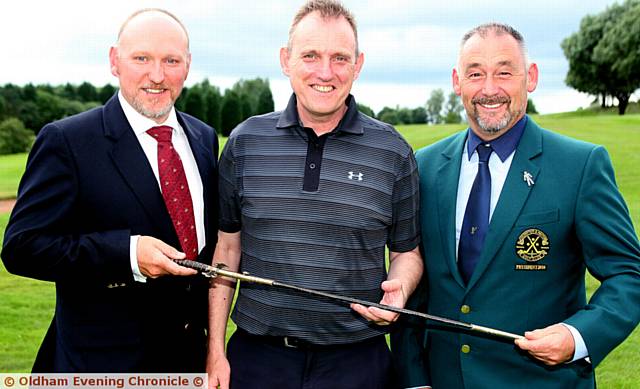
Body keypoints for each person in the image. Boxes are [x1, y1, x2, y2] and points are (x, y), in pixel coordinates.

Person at [391, 22, 640, 388]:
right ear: (457, 82)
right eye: (476, 74)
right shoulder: (423, 167)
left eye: (504, 73)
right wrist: (413, 378)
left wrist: (576, 337)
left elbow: (628, 274)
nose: (489, 89)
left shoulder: (580, 166)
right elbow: (413, 288)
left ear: (531, 77)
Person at [206, 1, 423, 388]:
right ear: (286, 60)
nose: (325, 72)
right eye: (310, 55)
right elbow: (226, 250)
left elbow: (407, 253)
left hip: (358, 364)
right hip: (258, 360)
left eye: (340, 58)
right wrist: (215, 351)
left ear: (357, 65)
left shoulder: (393, 151)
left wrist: (400, 289)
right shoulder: (244, 142)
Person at [1, 8, 218, 372]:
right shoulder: (68, 141)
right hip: (100, 367)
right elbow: (22, 248)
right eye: (142, 58)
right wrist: (128, 254)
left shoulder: (203, 138)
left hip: (188, 364)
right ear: (115, 61)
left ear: (188, 64)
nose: (157, 75)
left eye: (171, 60)